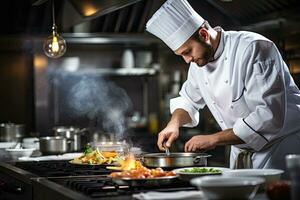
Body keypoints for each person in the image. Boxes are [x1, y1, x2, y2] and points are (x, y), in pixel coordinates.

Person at [146, 0, 300, 175]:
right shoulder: (198, 64)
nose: (187, 60)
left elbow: (268, 116)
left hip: (281, 150)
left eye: (187, 52)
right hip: (241, 151)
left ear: (204, 34)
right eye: (181, 54)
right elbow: (188, 101)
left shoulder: (254, 48)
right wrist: (173, 124)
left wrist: (214, 139)